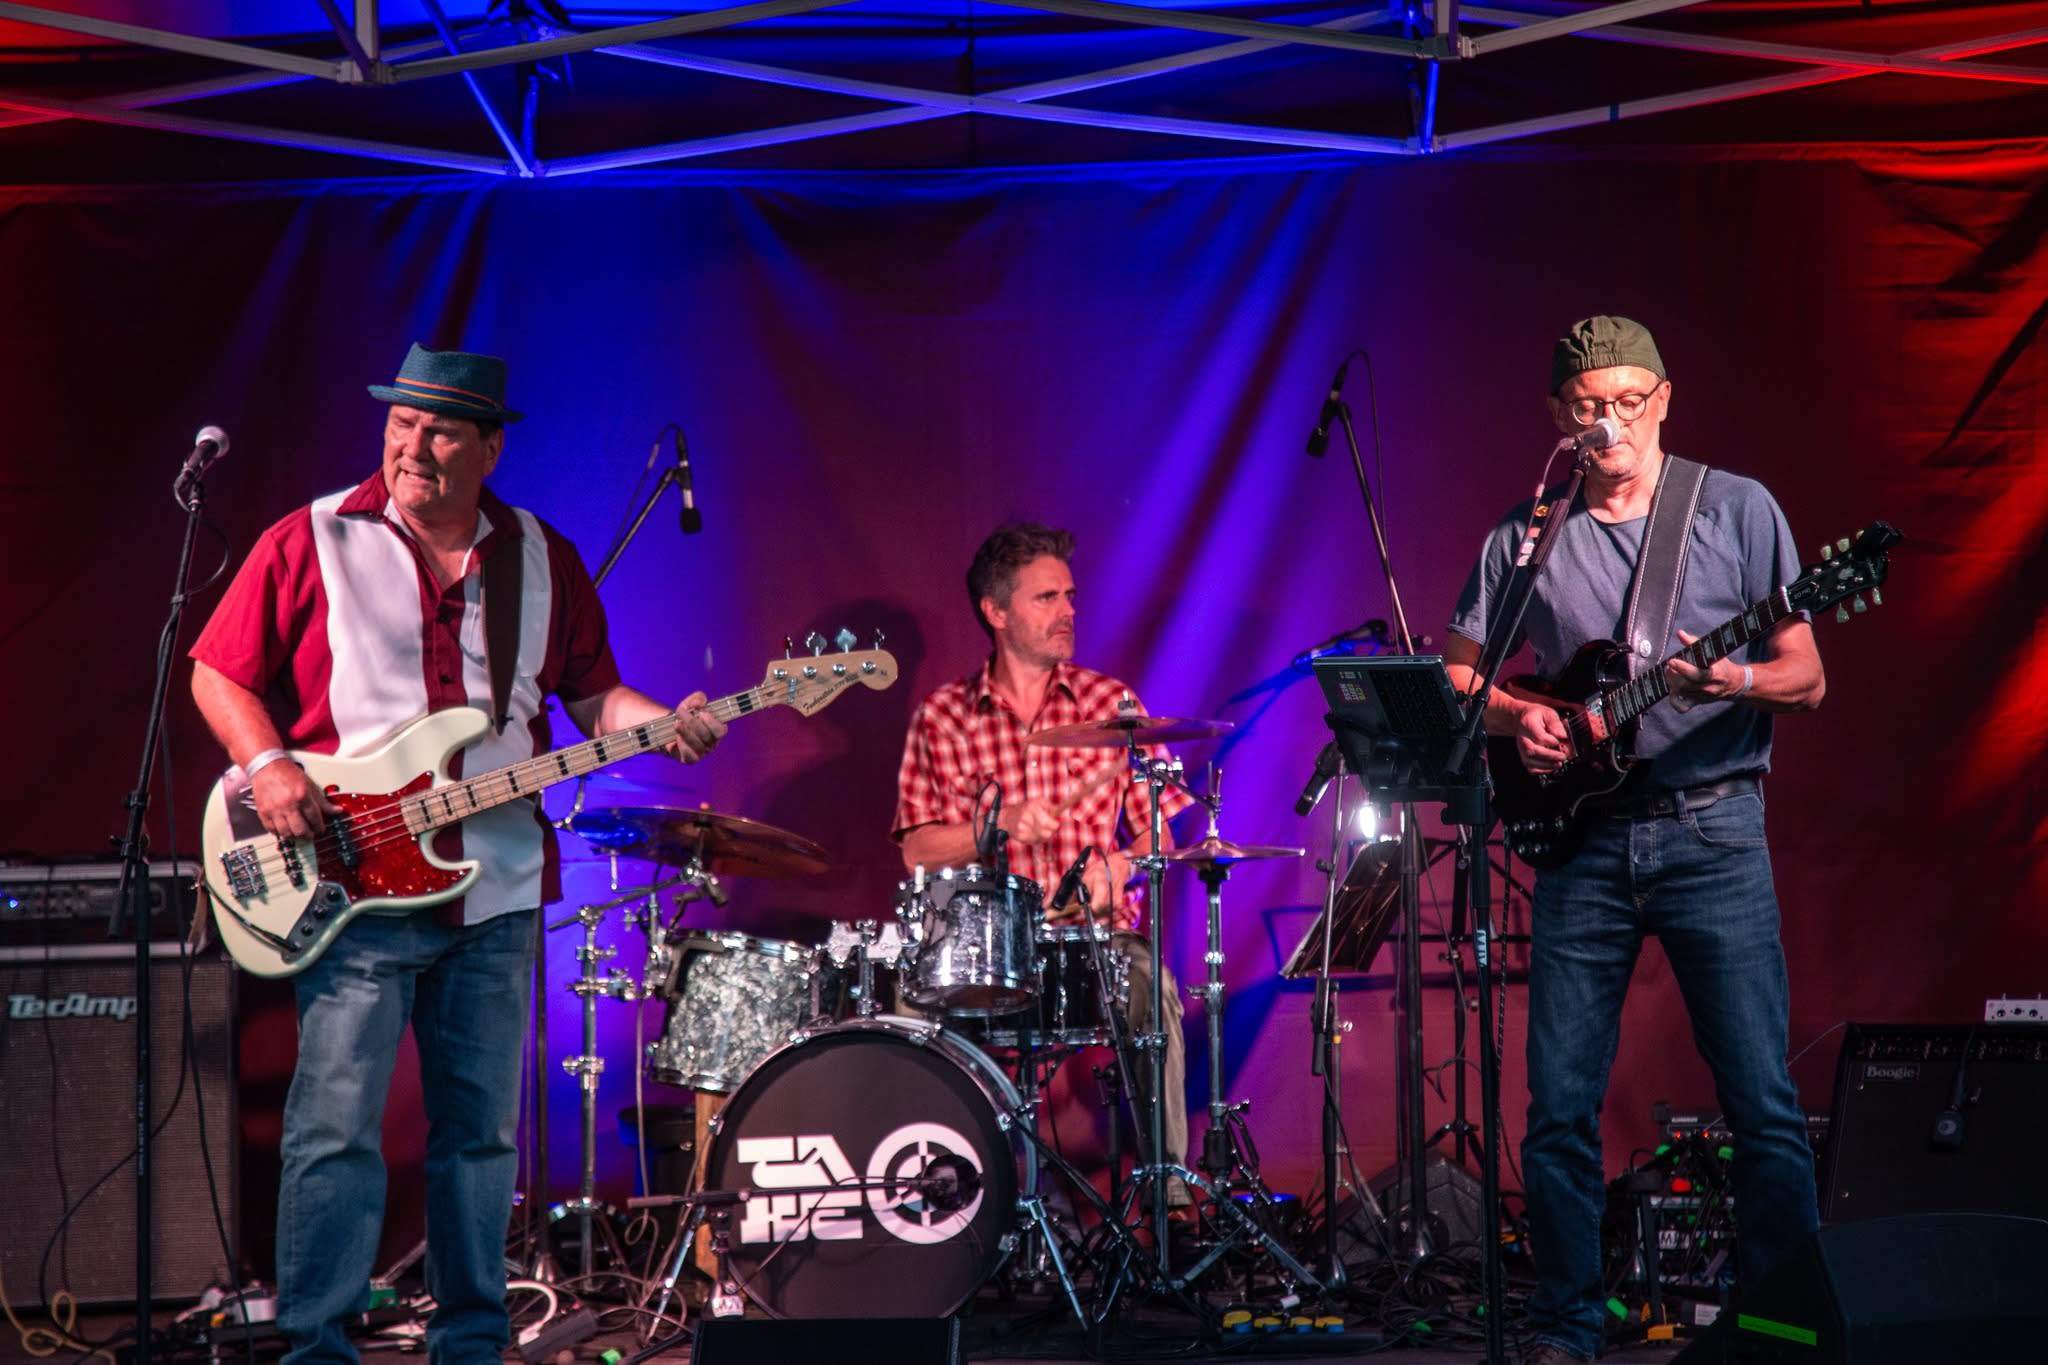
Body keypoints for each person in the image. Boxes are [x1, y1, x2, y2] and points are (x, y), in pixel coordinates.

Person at [189, 343, 726, 1365]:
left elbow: (593, 696)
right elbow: (218, 670)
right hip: (350, 881)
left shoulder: (542, 556)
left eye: (439, 431)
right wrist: (268, 765)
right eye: (401, 423)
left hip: (497, 887)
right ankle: (315, 1348)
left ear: (489, 447)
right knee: (334, 1130)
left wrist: (659, 723)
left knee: (480, 1139)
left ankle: (471, 1344)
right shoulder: (311, 537)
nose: (412, 446)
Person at [1443, 317, 1825, 1365]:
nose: (1605, 421)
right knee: (1558, 1106)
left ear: (1663, 400)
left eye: (1624, 400)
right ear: (1557, 416)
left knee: (1760, 1099)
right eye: (1584, 406)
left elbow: (1805, 676)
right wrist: (1516, 714)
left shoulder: (1736, 508)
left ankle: (1784, 1328)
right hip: (1584, 842)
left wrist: (1732, 679)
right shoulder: (1526, 535)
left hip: (1713, 829)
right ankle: (1565, 1325)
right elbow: (1457, 671)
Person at [892, 522, 1195, 1208]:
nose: (1068, 611)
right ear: (995, 612)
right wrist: (996, 825)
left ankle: (1168, 1192)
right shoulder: (942, 717)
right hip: (986, 950)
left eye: (1070, 596)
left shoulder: (1111, 705)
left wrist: (1119, 868)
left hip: (1096, 941)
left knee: (1154, 989)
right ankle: (945, 1204)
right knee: (911, 1007)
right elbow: (916, 851)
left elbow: (1160, 835)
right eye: (1046, 598)